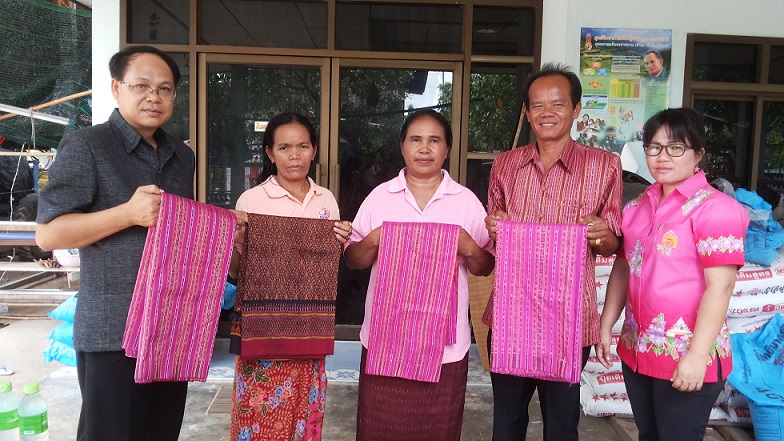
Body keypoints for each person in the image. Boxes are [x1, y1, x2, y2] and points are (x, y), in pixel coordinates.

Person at [35, 46, 225, 441]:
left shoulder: (181, 155)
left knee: (161, 432)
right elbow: (49, 234)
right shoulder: (87, 145)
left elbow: (181, 228)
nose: (154, 97)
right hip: (113, 330)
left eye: (164, 89)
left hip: (171, 327)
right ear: (116, 88)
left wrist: (221, 227)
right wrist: (127, 213)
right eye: (142, 86)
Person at [483, 62, 623, 441]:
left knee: (561, 426)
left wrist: (600, 234)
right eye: (538, 105)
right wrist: (494, 226)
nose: (547, 113)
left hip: (569, 318)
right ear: (528, 113)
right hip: (512, 314)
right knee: (507, 422)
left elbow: (613, 242)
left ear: (576, 109)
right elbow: (495, 232)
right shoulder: (506, 165)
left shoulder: (604, 166)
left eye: (558, 104)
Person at [596, 108, 749, 440]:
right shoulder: (636, 207)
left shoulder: (716, 209)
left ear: (698, 155)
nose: (662, 156)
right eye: (654, 147)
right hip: (637, 352)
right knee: (648, 435)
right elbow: (623, 266)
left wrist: (697, 356)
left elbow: (720, 288)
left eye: (676, 147)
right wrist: (606, 323)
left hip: (687, 355)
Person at [345, 109, 494, 441]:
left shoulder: (465, 201)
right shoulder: (380, 197)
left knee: (437, 430)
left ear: (447, 148)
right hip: (386, 339)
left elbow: (485, 266)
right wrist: (373, 240)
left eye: (434, 140)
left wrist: (469, 247)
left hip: (444, 346)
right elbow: (354, 260)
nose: (424, 148)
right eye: (416, 139)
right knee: (379, 428)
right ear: (402, 146)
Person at [227, 112, 352, 441]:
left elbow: (327, 266)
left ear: (314, 150)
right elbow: (237, 271)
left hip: (309, 330)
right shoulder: (251, 200)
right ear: (270, 153)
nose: (295, 155)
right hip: (263, 334)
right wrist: (234, 238)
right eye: (284, 147)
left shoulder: (326, 199)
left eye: (303, 146)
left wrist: (339, 239)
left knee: (302, 418)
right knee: (259, 418)